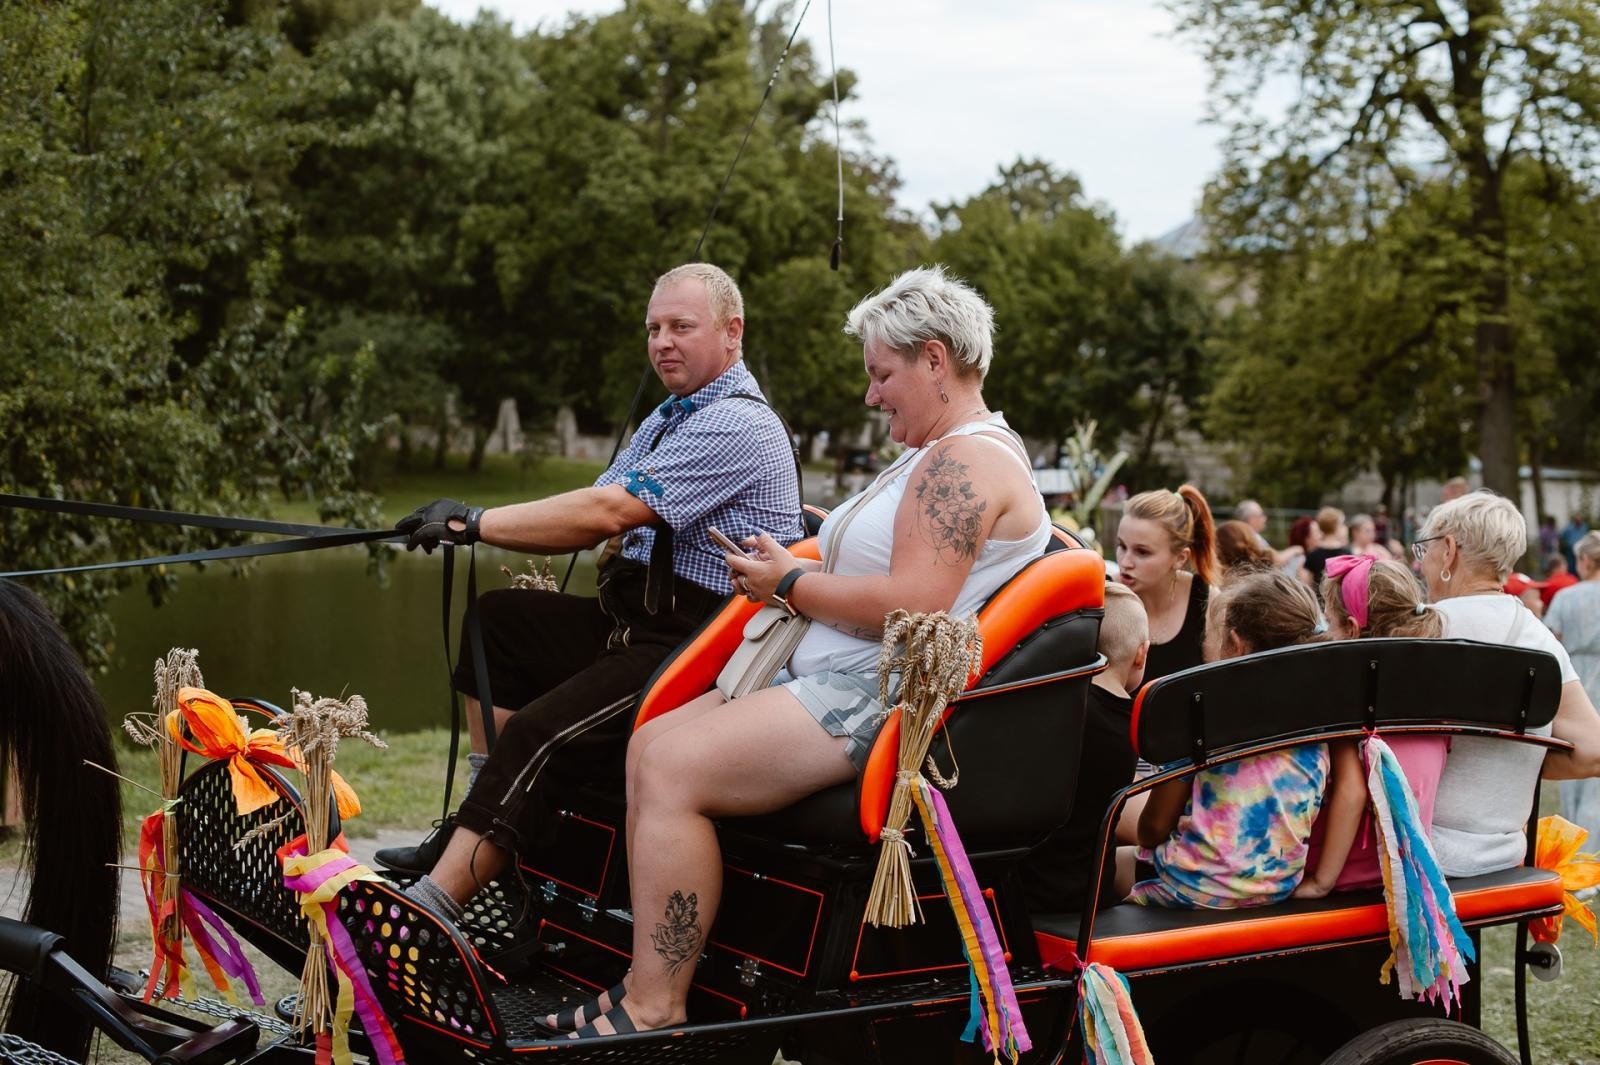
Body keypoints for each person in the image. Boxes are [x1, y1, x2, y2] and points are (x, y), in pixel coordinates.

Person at [445, 265, 1049, 1038]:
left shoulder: (966, 462)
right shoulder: (934, 455)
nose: (871, 395)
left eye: (881, 374)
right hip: (830, 669)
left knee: (671, 766)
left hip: (877, 695)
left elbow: (914, 604)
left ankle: (659, 1001)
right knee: (651, 739)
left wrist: (789, 580)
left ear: (935, 359)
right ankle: (642, 973)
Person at [377, 263, 803, 879]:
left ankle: (438, 904)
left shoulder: (737, 423)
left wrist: (475, 520)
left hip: (696, 647)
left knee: (538, 729)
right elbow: (593, 503)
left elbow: (609, 512)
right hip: (630, 623)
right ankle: (480, 820)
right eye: (653, 328)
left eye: (681, 326)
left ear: (732, 331)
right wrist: (469, 521)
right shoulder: (671, 416)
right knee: (497, 623)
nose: (662, 342)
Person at [1415, 491, 1600, 877]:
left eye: (1425, 549)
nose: (1422, 565)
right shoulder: (1540, 640)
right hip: (1504, 849)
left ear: (1448, 550)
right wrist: (1516, 758)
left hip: (1413, 847)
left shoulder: (1416, 629)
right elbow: (1592, 752)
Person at [1127, 569, 1330, 908]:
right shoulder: (1321, 723)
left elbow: (1152, 829)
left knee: (1108, 862)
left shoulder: (1202, 717)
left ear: (1236, 644)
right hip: (1277, 886)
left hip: (1194, 890)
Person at [1295, 557, 1445, 897]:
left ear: (1350, 628)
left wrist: (1321, 882)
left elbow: (1352, 792)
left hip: (1335, 880)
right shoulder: (1435, 700)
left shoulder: (1343, 699)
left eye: (1328, 623)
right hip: (1401, 880)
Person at [1023, 582, 1146, 914]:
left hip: (1021, 890)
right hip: (1086, 898)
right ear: (1141, 653)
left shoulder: (1047, 706)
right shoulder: (1129, 727)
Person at [1115, 485, 1218, 682]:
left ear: (1180, 558)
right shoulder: (1103, 595)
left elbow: (1217, 688)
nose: (1125, 562)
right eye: (1122, 546)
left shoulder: (1206, 600)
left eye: (1142, 552)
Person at [1544, 532, 1600, 845]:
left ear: (1587, 561)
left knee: (1570, 755)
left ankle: (1573, 846)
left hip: (1574, 679)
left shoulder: (1568, 597)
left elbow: (1550, 639)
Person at [1236, 498, 1302, 568]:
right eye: (1261, 514)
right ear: (1252, 519)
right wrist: (1294, 550)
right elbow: (1274, 560)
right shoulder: (1252, 538)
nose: (1265, 518)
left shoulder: (1240, 535)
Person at [1303, 506, 1351, 584]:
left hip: (1318, 595)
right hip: (1338, 595)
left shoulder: (1313, 554)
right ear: (1336, 526)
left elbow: (1308, 581)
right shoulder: (1346, 553)